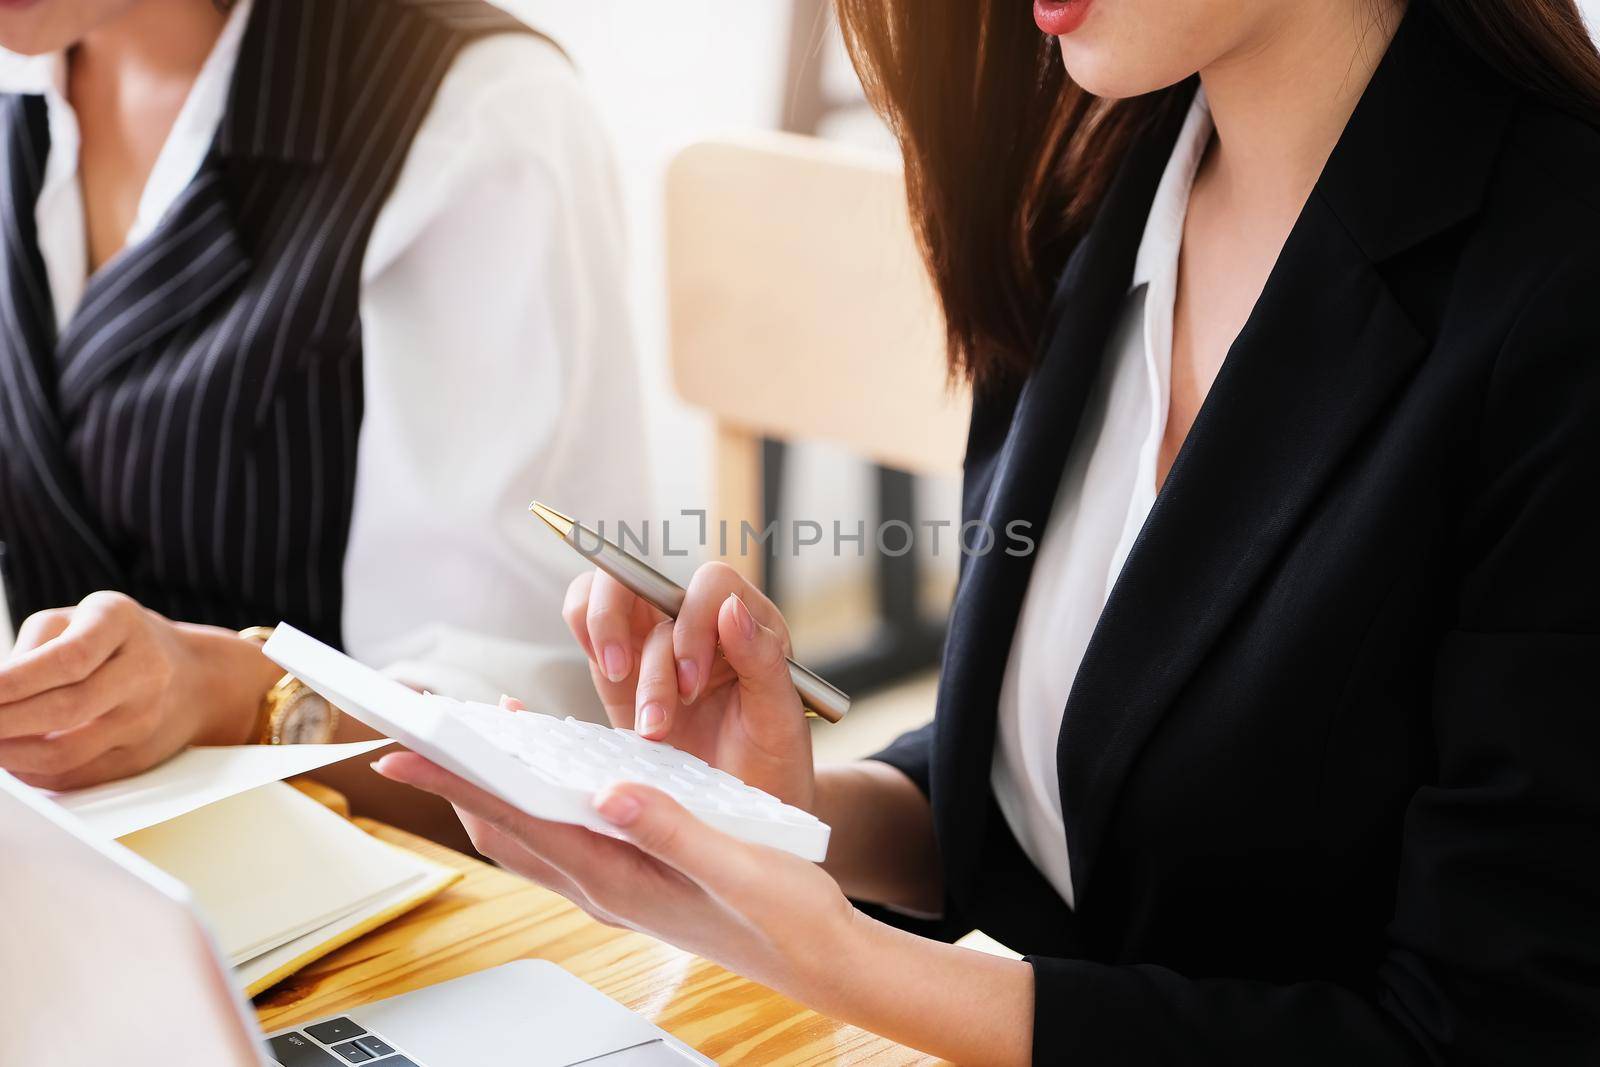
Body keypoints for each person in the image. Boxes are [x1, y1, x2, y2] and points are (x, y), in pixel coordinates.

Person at [375, 0, 1600, 1062]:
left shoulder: (1555, 299)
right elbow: (1062, 798)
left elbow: (1482, 1036)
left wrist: (835, 957)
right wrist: (761, 819)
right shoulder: (1100, 179)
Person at [0, 0, 644, 837]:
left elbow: (540, 738)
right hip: (91, 877)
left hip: (392, 897)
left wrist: (231, 693)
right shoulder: (30, 88)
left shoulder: (470, 114)